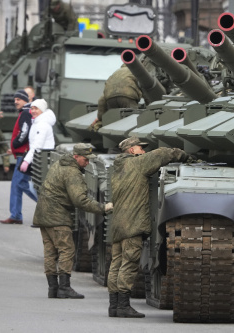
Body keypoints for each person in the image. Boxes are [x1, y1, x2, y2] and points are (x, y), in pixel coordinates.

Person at [107, 136, 192, 318]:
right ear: (131, 150)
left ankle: (113, 305)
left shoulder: (118, 168)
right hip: (133, 224)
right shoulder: (136, 164)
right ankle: (123, 306)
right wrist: (185, 156)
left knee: (116, 264)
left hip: (118, 225)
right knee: (129, 264)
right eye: (140, 148)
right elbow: (162, 153)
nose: (143, 151)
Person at [32, 143, 113, 299]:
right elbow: (80, 200)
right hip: (57, 216)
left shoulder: (59, 163)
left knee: (50, 252)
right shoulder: (72, 173)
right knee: (66, 250)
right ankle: (64, 287)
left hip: (43, 214)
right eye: (85, 159)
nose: (87, 163)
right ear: (76, 157)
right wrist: (103, 207)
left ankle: (53, 288)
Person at [0, 89, 37, 225]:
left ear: (25, 100)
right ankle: (15, 215)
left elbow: (24, 132)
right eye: (15, 99)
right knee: (17, 184)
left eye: (18, 99)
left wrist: (15, 145)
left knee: (20, 183)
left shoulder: (26, 113)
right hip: (22, 154)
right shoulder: (25, 112)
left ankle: (47, 206)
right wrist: (15, 149)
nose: (16, 102)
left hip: (24, 155)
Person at [89, 65, 142, 132]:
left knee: (113, 121)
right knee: (133, 119)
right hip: (127, 96)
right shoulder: (136, 71)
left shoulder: (115, 73)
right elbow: (145, 87)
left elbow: (101, 100)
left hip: (110, 98)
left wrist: (101, 118)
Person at [19, 99, 56, 175]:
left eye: (36, 108)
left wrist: (26, 161)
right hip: (40, 160)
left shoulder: (42, 125)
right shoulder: (37, 122)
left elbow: (37, 146)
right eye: (32, 108)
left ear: (42, 110)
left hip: (43, 161)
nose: (33, 111)